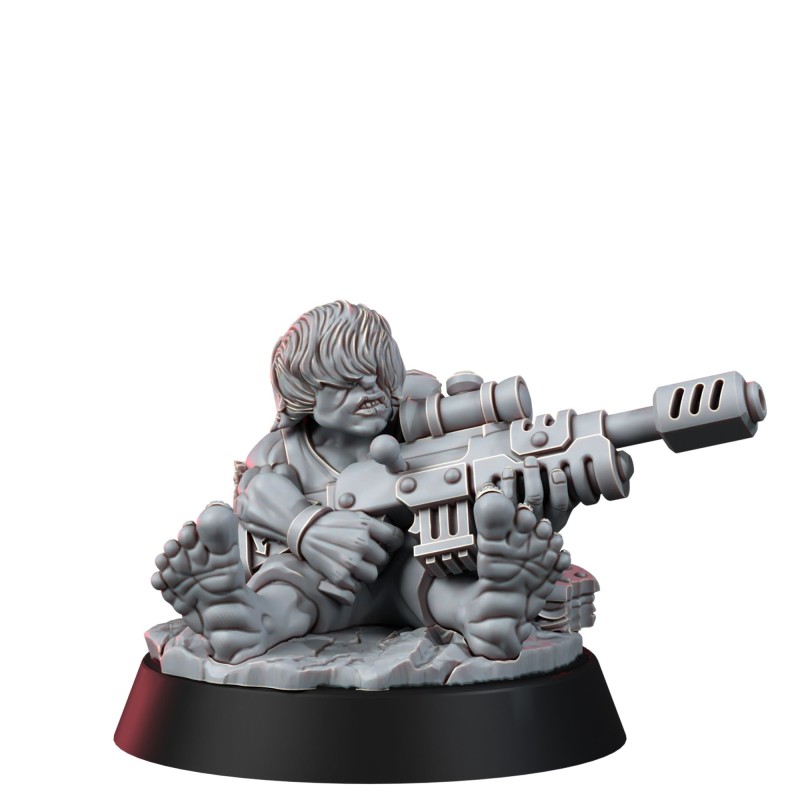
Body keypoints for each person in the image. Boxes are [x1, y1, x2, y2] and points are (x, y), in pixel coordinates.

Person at [152, 301, 571, 664]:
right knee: (290, 588)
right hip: (318, 575)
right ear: (304, 391)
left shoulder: (420, 425)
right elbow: (254, 493)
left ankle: (487, 613)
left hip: (405, 565)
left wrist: (532, 510)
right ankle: (241, 618)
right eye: (347, 381)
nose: (370, 390)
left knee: (432, 581)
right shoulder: (286, 448)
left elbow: (480, 496)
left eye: (378, 375)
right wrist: (308, 529)